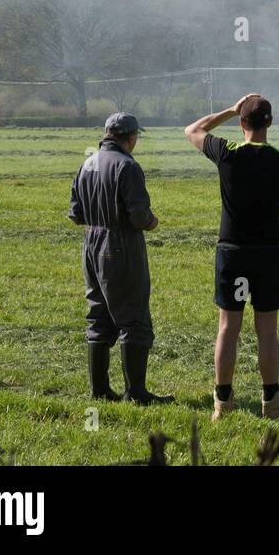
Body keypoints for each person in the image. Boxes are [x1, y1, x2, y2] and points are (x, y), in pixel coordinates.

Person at [186, 94, 279, 421]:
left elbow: (192, 130)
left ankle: (222, 403)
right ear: (270, 122)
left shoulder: (226, 153)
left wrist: (229, 109)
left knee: (228, 328)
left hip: (233, 255)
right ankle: (272, 404)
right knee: (267, 330)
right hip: (268, 256)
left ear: (241, 123)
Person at [68, 112, 173, 405]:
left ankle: (100, 390)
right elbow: (138, 216)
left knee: (99, 314)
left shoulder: (86, 164)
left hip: (91, 244)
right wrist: (152, 221)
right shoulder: (128, 166)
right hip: (120, 245)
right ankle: (136, 393)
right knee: (133, 317)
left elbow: (75, 214)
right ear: (130, 137)